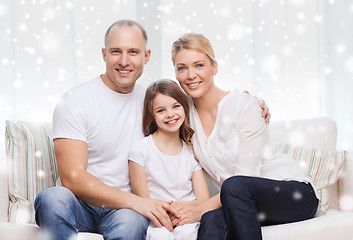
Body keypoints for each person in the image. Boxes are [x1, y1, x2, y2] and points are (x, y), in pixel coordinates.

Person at [33, 19, 269, 240]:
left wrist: (250, 103)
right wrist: (138, 202)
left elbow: (195, 105)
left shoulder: (153, 102)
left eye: (133, 52)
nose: (124, 61)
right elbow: (72, 178)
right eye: (116, 51)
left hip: (126, 211)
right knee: (52, 198)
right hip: (83, 204)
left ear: (146, 56)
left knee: (130, 223)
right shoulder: (76, 100)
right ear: (104, 54)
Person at [168, 33, 319, 240]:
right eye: (182, 68)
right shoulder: (183, 115)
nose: (190, 75)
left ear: (214, 67)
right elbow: (155, 106)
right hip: (239, 202)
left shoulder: (245, 106)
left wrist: (199, 208)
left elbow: (246, 177)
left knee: (234, 185)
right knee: (211, 220)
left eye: (199, 65)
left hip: (293, 194)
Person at [129, 79, 210, 240]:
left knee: (187, 233)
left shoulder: (191, 152)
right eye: (161, 110)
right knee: (160, 236)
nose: (170, 114)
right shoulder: (140, 150)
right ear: (152, 115)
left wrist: (182, 212)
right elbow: (143, 201)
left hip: (187, 218)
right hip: (156, 219)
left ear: (184, 108)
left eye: (175, 106)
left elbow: (204, 201)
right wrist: (166, 214)